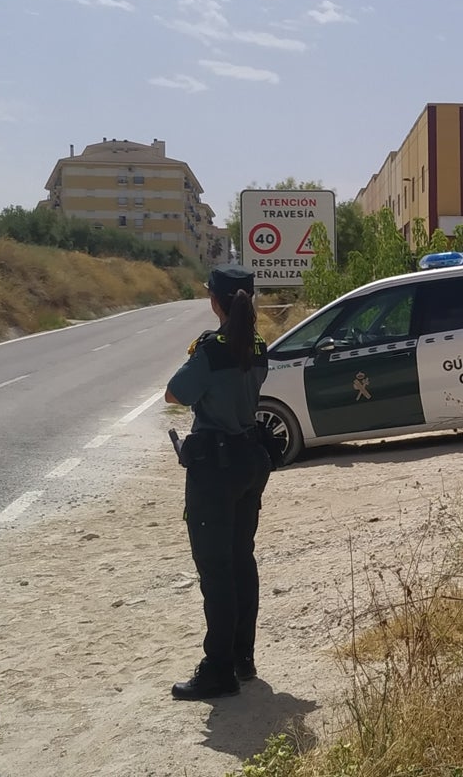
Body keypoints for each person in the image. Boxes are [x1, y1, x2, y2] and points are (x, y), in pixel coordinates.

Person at [164, 263, 273, 700]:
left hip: (215, 468)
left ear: (215, 301)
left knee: (216, 569)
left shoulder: (210, 348)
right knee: (241, 559)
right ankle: (243, 658)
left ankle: (218, 669)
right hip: (250, 459)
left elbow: (175, 394)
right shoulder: (259, 344)